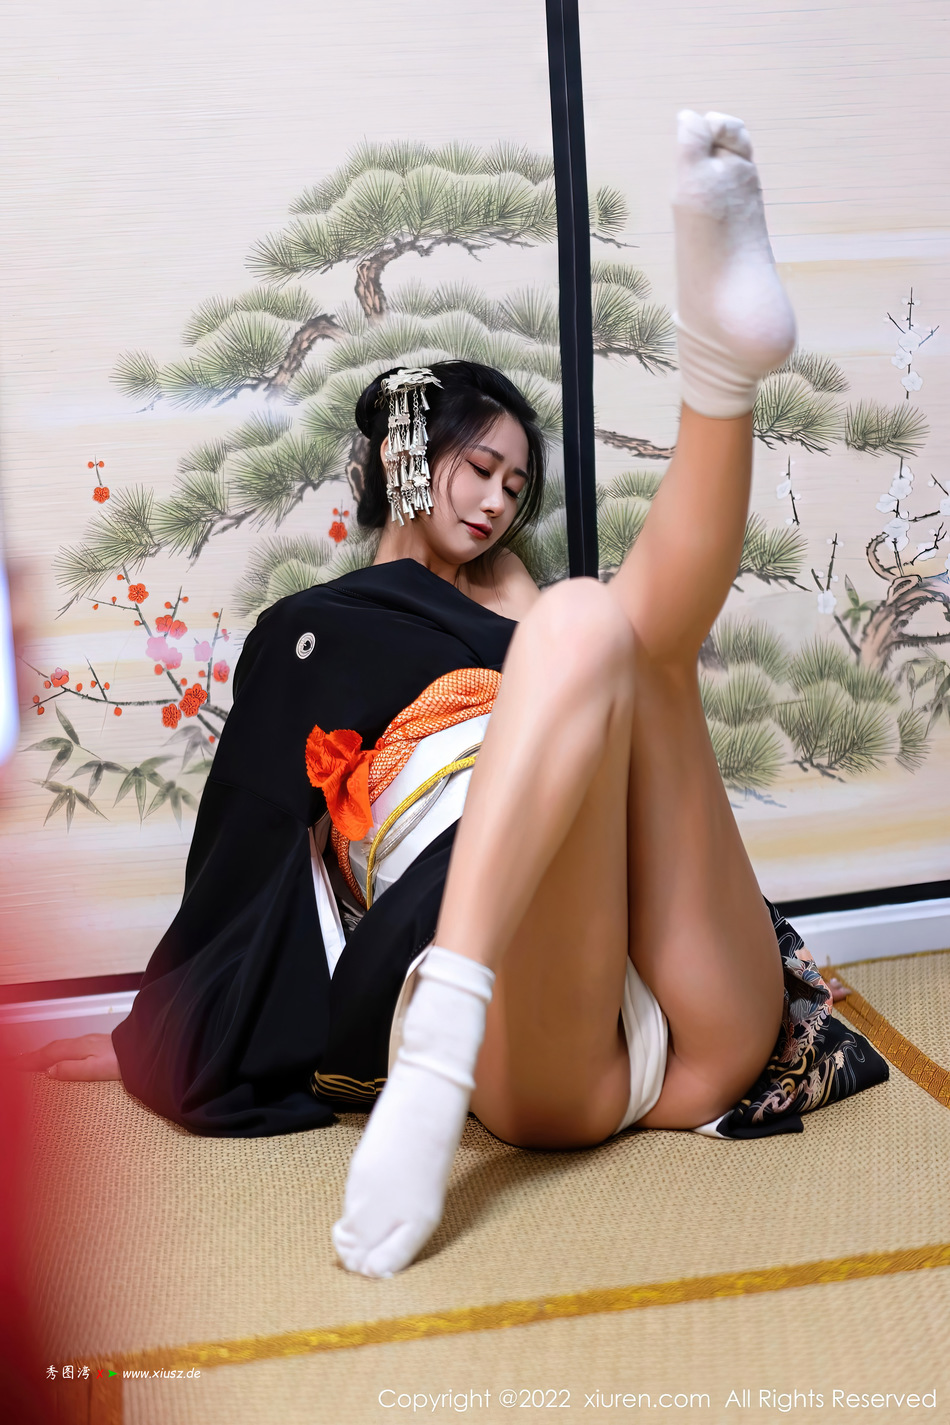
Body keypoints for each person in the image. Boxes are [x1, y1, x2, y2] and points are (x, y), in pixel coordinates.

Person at [21, 112, 887, 1280]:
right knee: (584, 620)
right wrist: (155, 1034)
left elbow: (609, 668)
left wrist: (528, 612)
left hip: (702, 1013)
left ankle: (721, 373)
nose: (493, 503)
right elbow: (246, 858)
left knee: (592, 623)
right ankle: (443, 1024)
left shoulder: (533, 606)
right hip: (549, 1041)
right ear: (408, 457)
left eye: (514, 487)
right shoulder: (312, 630)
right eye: (478, 468)